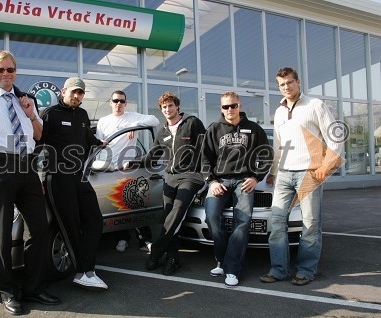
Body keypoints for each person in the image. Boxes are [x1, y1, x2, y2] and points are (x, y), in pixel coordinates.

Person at [0, 50, 60, 316]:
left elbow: (38, 135)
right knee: (1, 233)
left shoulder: (26, 100)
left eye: (11, 69)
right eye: (0, 70)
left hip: (26, 165)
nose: (6, 74)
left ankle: (33, 287)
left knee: (40, 228)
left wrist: (30, 113)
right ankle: (7, 292)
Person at [260, 67, 344, 286]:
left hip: (310, 172)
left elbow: (335, 137)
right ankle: (278, 270)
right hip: (284, 174)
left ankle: (305, 271)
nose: (286, 87)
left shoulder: (315, 105)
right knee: (276, 222)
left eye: (289, 82)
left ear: (298, 82)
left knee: (310, 224)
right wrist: (273, 171)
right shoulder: (278, 111)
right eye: (281, 84)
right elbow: (279, 146)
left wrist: (325, 167)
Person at [38, 77, 108, 290]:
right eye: (73, 92)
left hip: (79, 175)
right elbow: (36, 145)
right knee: (70, 226)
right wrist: (38, 177)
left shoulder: (83, 114)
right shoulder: (49, 114)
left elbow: (86, 138)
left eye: (80, 93)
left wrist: (100, 143)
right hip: (57, 177)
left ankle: (86, 269)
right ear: (63, 91)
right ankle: (83, 271)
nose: (77, 96)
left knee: (95, 220)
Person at [201, 92, 272, 287]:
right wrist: (212, 181)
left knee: (242, 221)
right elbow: (205, 159)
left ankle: (232, 269)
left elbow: (266, 155)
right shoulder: (214, 129)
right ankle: (222, 260)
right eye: (225, 107)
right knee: (212, 217)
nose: (229, 110)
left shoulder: (254, 129)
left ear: (240, 106)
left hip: (243, 181)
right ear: (221, 108)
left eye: (233, 106)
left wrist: (256, 177)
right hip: (220, 181)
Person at [136, 91, 206, 275]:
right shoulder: (163, 132)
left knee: (177, 211)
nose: (168, 109)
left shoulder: (192, 123)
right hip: (171, 177)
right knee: (170, 217)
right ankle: (172, 257)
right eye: (164, 107)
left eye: (171, 105)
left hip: (191, 176)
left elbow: (206, 148)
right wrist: (133, 162)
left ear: (177, 107)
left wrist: (207, 174)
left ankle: (156, 253)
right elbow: (152, 157)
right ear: (161, 110)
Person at [96, 90, 159, 253]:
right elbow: (99, 146)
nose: (118, 104)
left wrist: (135, 125)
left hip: (129, 168)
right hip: (110, 169)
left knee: (136, 204)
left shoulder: (133, 117)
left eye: (122, 101)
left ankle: (145, 240)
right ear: (110, 102)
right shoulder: (103, 121)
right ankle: (122, 238)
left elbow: (155, 120)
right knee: (116, 206)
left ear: (126, 103)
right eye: (115, 101)